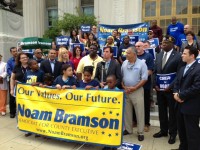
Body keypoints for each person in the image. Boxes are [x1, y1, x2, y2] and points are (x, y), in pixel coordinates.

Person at [153, 35, 184, 144]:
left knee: (172, 112)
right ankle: (163, 130)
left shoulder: (178, 56)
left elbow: (179, 74)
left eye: (165, 43)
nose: (163, 44)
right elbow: (155, 71)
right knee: (162, 111)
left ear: (172, 44)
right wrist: (155, 84)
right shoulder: (159, 54)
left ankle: (172, 133)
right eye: (162, 43)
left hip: (171, 90)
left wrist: (170, 87)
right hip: (159, 90)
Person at [173, 46, 200, 150]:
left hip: (191, 106)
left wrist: (180, 95)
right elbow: (176, 83)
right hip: (179, 105)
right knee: (182, 130)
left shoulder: (198, 68)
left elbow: (197, 87)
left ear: (192, 56)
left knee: (192, 132)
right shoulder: (182, 68)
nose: (182, 55)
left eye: (184, 53)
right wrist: (175, 93)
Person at [122, 46, 148, 141]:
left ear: (134, 54)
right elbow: (122, 76)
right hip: (126, 91)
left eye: (128, 53)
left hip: (137, 91)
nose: (126, 54)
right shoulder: (124, 63)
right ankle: (128, 130)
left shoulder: (142, 64)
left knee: (139, 112)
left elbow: (144, 78)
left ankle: (140, 132)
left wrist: (135, 87)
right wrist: (124, 87)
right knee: (127, 112)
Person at [135, 41, 154, 132]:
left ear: (143, 47)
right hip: (134, 86)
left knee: (145, 105)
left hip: (145, 86)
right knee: (134, 104)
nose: (137, 47)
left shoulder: (148, 56)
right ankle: (135, 121)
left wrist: (139, 79)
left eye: (139, 46)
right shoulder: (133, 56)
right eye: (136, 46)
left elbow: (150, 71)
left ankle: (146, 124)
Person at [6, 47, 18, 118]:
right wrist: (14, 77)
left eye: (16, 51)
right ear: (11, 52)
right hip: (12, 80)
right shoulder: (10, 61)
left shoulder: (20, 59)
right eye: (13, 51)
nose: (15, 52)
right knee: (12, 96)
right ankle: (12, 112)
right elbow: (8, 70)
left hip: (20, 81)